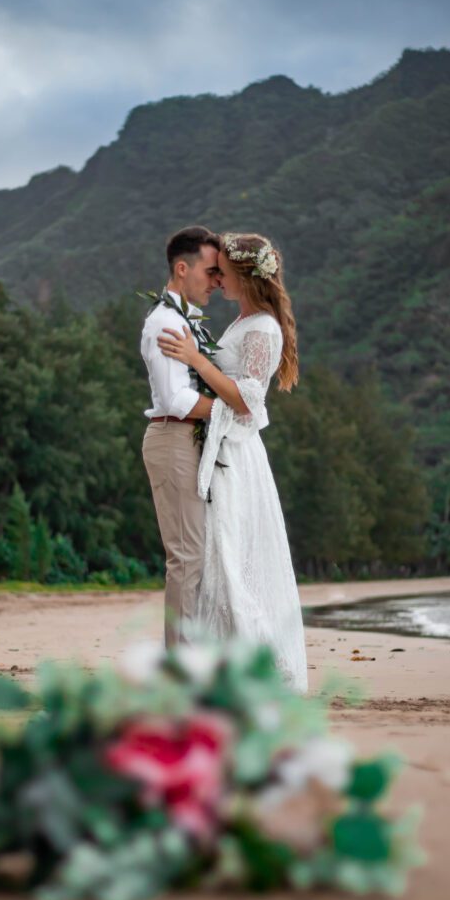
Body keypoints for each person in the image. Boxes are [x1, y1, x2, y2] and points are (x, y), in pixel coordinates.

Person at [157, 232, 307, 690]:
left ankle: (241, 672)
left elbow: (247, 400)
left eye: (223, 270)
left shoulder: (262, 328)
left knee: (230, 556)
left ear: (243, 275)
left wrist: (196, 361)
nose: (217, 278)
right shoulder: (243, 323)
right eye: (214, 270)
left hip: (237, 459)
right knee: (218, 558)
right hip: (223, 451)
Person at [141, 225, 220, 647]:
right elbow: (174, 398)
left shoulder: (186, 321)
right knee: (187, 556)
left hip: (187, 441)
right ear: (183, 268)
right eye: (210, 272)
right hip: (173, 438)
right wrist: (232, 410)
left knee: (196, 554)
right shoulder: (166, 323)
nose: (216, 281)